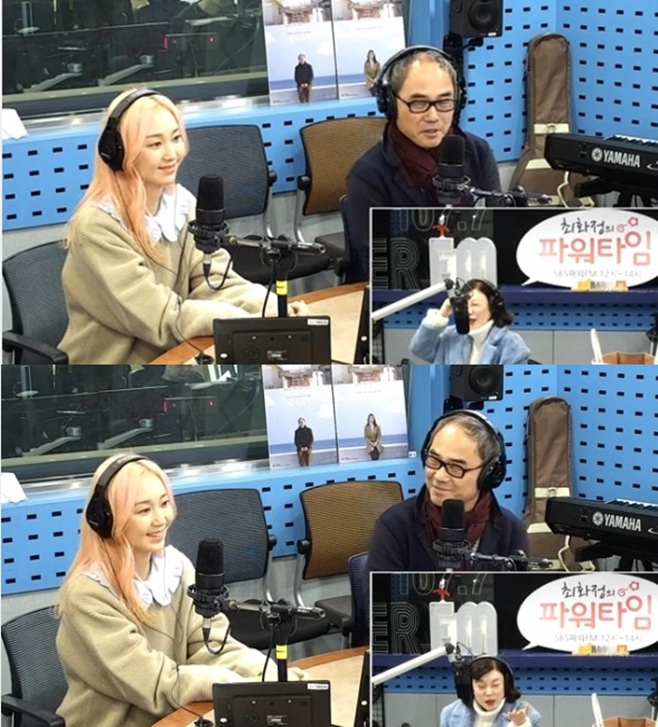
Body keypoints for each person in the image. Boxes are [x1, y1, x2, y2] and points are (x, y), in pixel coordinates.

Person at [58, 88, 308, 365]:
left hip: (176, 356)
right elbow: (159, 317)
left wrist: (271, 309)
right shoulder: (97, 227)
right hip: (111, 372)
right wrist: (244, 320)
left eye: (176, 138)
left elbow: (213, 281)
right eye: (155, 144)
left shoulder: (181, 203)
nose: (172, 154)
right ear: (118, 152)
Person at [55, 453, 306, 727]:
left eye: (164, 504)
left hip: (179, 716)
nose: (161, 519)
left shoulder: (175, 567)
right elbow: (154, 684)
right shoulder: (88, 595)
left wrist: (268, 676)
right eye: (143, 511)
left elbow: (211, 647)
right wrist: (241, 686)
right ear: (105, 519)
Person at [346, 46, 501, 282]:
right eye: (418, 103)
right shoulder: (368, 175)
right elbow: (383, 270)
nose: (433, 117)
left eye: (444, 102)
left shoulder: (478, 153)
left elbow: (498, 240)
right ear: (390, 104)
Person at [367, 410, 528, 572]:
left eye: (456, 467)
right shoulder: (394, 527)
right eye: (433, 460)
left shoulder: (511, 531)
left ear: (488, 474)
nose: (439, 476)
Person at [410, 279, 530, 364]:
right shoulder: (451, 336)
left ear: (493, 307)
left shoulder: (511, 344)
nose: (469, 311)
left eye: (475, 305)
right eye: (464, 305)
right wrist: (442, 313)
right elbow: (419, 349)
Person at [440, 656, 541, 727]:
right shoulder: (449, 713)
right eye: (481, 686)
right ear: (470, 687)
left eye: (495, 685)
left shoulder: (527, 715)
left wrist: (520, 725)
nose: (489, 692)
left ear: (506, 684)